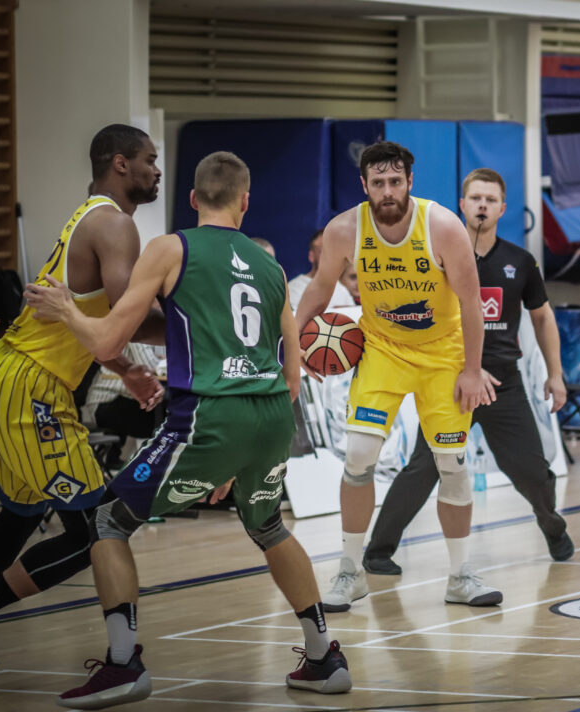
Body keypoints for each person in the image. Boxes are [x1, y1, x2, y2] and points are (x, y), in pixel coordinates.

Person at [25, 151, 352, 707]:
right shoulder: (271, 267)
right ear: (246, 202)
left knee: (107, 521)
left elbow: (107, 343)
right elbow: (294, 375)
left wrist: (66, 310)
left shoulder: (170, 248)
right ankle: (324, 657)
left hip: (210, 414)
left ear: (194, 199)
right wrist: (236, 456)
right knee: (269, 526)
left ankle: (122, 665)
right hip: (274, 414)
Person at [0, 124, 164, 688]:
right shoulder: (115, 223)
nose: (157, 170)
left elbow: (88, 322)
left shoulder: (90, 215)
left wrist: (124, 369)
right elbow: (128, 316)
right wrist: (199, 325)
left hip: (10, 377)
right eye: (150, 160)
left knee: (21, 516)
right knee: (98, 529)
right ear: (120, 163)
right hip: (29, 388)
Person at [295, 141, 500, 612]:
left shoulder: (443, 226)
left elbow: (472, 303)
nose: (387, 191)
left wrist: (472, 370)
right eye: (378, 183)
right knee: (359, 454)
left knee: (453, 466)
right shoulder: (344, 229)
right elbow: (321, 288)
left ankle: (460, 575)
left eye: (395, 181)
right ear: (363, 184)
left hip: (443, 353)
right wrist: (295, 343)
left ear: (410, 182)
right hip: (383, 350)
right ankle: (350, 571)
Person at [363, 168, 572, 575]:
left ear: (502, 209)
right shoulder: (433, 256)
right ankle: (378, 551)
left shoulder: (521, 261)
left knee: (530, 471)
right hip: (450, 381)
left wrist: (555, 373)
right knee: (423, 468)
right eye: (475, 198)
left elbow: (543, 317)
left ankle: (552, 525)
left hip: (503, 384)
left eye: (490, 200)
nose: (482, 206)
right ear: (461, 204)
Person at [287, 229, 353, 312]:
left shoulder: (342, 290)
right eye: (325, 251)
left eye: (335, 251)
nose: (332, 256)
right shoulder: (294, 289)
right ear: (311, 256)